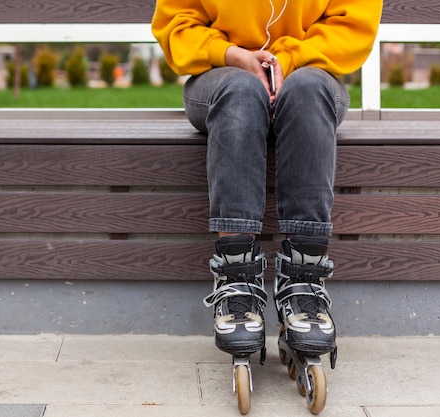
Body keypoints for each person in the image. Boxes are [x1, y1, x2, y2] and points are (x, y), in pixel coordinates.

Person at [152, 0, 382, 368]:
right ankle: (236, 278)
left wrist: (287, 60)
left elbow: (351, 26)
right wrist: (234, 56)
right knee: (242, 91)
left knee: (307, 88)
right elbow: (177, 24)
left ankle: (305, 280)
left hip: (310, 74)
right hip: (221, 77)